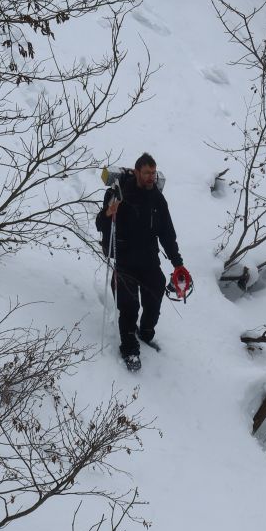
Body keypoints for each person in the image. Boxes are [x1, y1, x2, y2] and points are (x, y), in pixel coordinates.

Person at [96, 153, 192, 369]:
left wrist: (178, 263)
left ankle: (146, 331)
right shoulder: (119, 193)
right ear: (137, 172)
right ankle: (130, 349)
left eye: (153, 172)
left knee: (155, 293)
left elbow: (167, 232)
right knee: (129, 305)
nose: (151, 177)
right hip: (124, 260)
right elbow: (101, 224)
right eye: (147, 173)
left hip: (149, 260)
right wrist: (110, 211)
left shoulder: (157, 198)